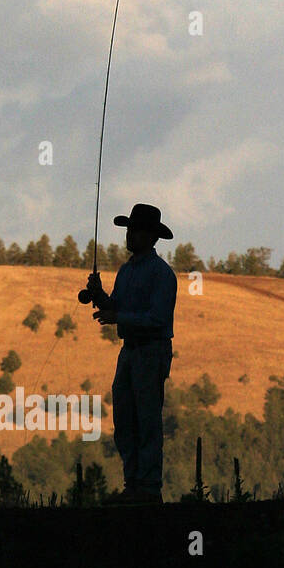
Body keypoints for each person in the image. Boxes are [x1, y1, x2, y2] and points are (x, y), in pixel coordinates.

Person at [86, 203, 177, 504]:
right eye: (129, 229)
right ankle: (133, 485)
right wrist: (99, 296)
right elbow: (117, 307)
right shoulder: (126, 272)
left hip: (151, 352)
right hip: (130, 352)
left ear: (151, 237)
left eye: (135, 230)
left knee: (147, 419)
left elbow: (158, 320)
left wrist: (118, 318)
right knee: (125, 418)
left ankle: (148, 490)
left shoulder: (163, 274)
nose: (130, 235)